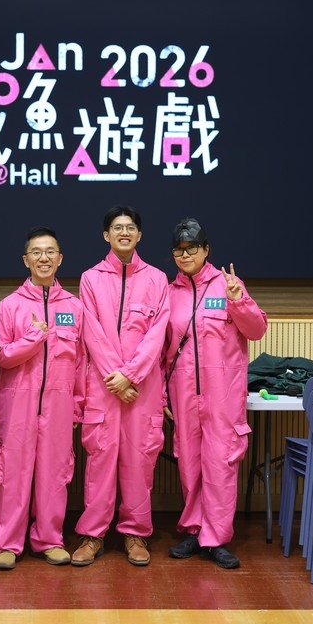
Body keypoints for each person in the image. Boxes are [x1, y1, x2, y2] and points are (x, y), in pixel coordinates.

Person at [163, 217, 268, 569]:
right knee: (190, 463)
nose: (185, 255)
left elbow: (256, 330)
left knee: (220, 464)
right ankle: (195, 531)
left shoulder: (228, 285)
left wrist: (238, 301)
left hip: (223, 396)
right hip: (183, 395)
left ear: (206, 249)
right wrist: (163, 396)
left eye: (191, 248)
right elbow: (162, 351)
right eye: (178, 250)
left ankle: (216, 538)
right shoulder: (169, 293)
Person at [71, 206, 170, 567]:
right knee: (99, 462)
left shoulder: (157, 279)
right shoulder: (90, 279)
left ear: (139, 235)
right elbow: (91, 331)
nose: (124, 232)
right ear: (106, 235)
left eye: (130, 228)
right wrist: (118, 377)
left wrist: (132, 375)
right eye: (117, 227)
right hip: (104, 386)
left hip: (142, 389)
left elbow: (158, 334)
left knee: (139, 462)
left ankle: (135, 533)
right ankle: (93, 534)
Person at [0, 226, 85, 570]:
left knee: (54, 475)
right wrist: (33, 338)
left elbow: (82, 363)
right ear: (25, 260)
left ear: (60, 259)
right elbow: (1, 355)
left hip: (59, 407)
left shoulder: (74, 307)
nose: (44, 258)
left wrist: (77, 407)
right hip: (16, 407)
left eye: (50, 252)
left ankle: (49, 539)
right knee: (10, 475)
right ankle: (6, 543)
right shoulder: (10, 306)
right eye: (36, 252)